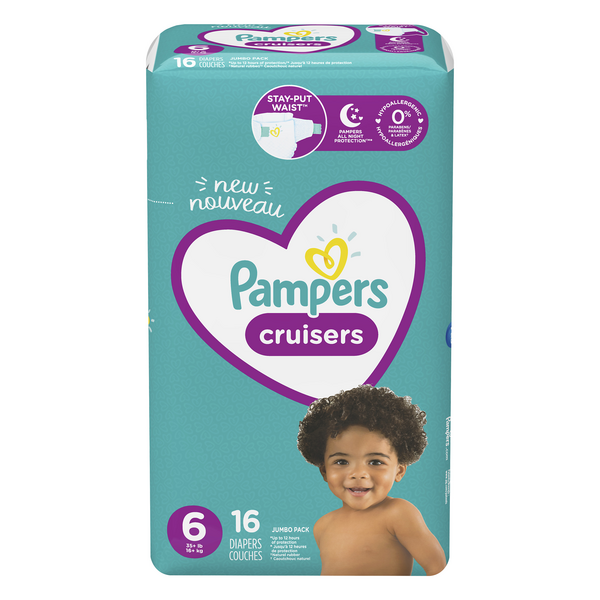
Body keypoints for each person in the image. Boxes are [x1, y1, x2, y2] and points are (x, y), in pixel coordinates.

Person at [297, 385, 446, 576]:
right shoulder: (322, 526)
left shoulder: (398, 514)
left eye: (375, 462)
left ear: (399, 471)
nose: (358, 474)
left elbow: (438, 568)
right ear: (324, 471)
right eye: (341, 461)